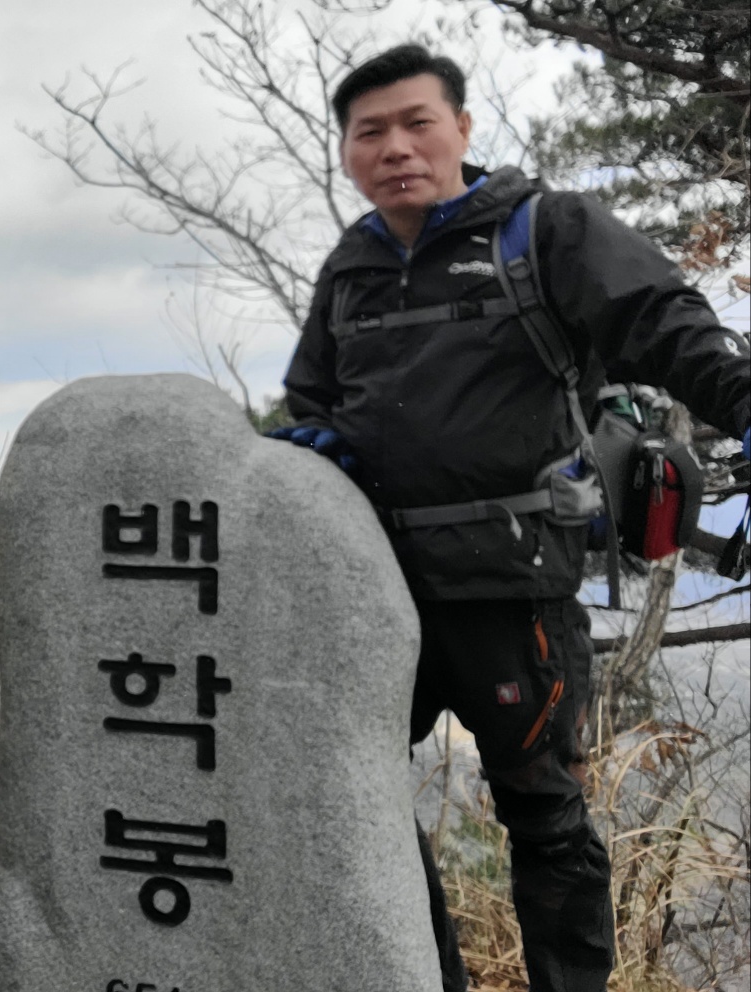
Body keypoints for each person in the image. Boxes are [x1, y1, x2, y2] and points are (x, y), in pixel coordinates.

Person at [275, 44, 751, 992]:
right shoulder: (353, 266)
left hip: (512, 587)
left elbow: (664, 322)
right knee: (349, 798)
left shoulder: (546, 231)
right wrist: (313, 448)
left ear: (460, 127)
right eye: (370, 132)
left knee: (542, 815)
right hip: (376, 594)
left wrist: (742, 402)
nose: (395, 147)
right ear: (347, 153)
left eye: (416, 123)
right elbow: (313, 396)